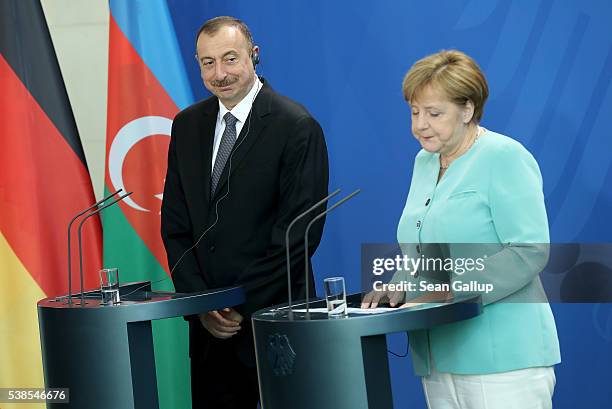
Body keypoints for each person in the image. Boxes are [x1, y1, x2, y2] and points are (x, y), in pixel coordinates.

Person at [362, 50, 560, 408]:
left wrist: (452, 289)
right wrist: (397, 288)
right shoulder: (424, 162)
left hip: (503, 359)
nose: (420, 125)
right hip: (438, 358)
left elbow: (529, 250)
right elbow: (422, 252)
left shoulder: (504, 156)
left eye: (434, 113)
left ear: (467, 109)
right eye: (414, 112)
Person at [161, 16, 328, 409]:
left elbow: (298, 235)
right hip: (208, 334)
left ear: (255, 55)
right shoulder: (186, 126)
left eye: (230, 58)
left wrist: (235, 303)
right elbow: (175, 226)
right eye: (207, 62)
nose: (219, 73)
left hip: (275, 324)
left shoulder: (296, 126)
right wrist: (202, 303)